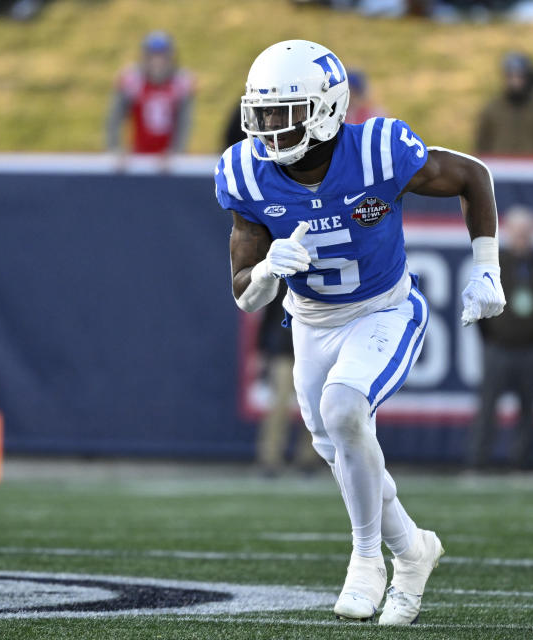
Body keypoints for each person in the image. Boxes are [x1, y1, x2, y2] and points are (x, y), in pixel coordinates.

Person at [214, 40, 505, 625]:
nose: (270, 129)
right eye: (262, 115)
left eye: (284, 113)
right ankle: (412, 550)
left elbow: (473, 175)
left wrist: (488, 267)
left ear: (325, 108)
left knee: (346, 412)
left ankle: (367, 558)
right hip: (311, 325)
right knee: (340, 449)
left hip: (384, 308)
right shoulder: (245, 173)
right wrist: (270, 267)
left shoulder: (378, 150)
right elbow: (246, 295)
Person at [470, 207, 533, 470]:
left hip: (532, 349)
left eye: (526, 233)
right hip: (499, 348)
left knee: (529, 410)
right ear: (507, 234)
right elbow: (479, 305)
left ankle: (523, 461)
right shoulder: (493, 266)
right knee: (487, 408)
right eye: (517, 233)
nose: (522, 238)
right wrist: (490, 338)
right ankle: (478, 460)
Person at [254, 284, 318, 476]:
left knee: (314, 404)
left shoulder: (326, 267)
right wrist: (263, 347)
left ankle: (309, 458)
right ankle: (270, 458)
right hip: (284, 347)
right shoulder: (284, 272)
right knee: (279, 404)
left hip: (313, 348)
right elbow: (271, 310)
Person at [104, 31, 194, 154]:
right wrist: (115, 150)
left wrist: (175, 152)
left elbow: (184, 123)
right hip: (138, 155)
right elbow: (114, 118)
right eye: (152, 56)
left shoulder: (180, 83)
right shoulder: (133, 81)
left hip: (168, 161)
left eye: (162, 57)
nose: (157, 62)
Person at [474, 53, 533, 156]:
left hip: (532, 167)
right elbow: (482, 145)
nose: (515, 82)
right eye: (511, 77)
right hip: (500, 167)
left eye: (519, 77)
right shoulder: (491, 109)